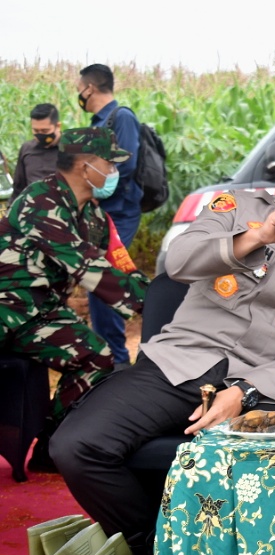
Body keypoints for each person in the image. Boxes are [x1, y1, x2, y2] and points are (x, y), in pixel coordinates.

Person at [50, 117, 275, 555]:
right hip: (177, 365)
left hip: (260, 388)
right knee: (75, 446)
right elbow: (179, 263)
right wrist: (256, 236)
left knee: (274, 493)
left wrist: (245, 393)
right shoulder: (238, 207)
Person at [0, 127, 148, 468]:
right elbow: (86, 266)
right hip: (9, 309)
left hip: (41, 313)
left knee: (96, 356)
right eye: (109, 164)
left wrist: (162, 298)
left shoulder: (92, 216)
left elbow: (118, 266)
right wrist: (149, 305)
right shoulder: (40, 202)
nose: (113, 172)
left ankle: (50, 447)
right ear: (85, 166)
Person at [76, 64, 142, 371]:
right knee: (97, 283)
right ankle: (109, 357)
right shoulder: (97, 122)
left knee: (104, 280)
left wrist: (91, 186)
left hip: (120, 213)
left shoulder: (122, 117)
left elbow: (125, 165)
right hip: (100, 214)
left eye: (79, 88)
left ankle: (118, 360)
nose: (78, 94)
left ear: (89, 88)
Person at [11, 103, 62, 200]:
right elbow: (18, 188)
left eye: (45, 131)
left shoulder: (72, 150)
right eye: (36, 131)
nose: (40, 135)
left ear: (58, 126)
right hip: (32, 207)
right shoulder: (27, 149)